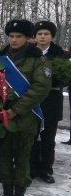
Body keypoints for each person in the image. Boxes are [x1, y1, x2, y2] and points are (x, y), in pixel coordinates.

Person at [0, 19, 51, 196]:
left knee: (23, 156)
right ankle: (6, 193)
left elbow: (40, 88)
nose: (14, 40)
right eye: (11, 36)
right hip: (2, 116)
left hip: (26, 117)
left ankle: (20, 195)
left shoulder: (37, 59)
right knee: (4, 155)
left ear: (28, 38)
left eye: (18, 37)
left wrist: (16, 109)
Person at [30, 21, 68, 184]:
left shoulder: (61, 54)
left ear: (52, 36)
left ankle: (46, 170)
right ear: (35, 36)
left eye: (46, 34)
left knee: (48, 139)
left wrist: (53, 81)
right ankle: (32, 168)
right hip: (32, 101)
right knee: (31, 137)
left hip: (52, 101)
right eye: (39, 34)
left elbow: (66, 77)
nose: (42, 37)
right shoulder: (29, 53)